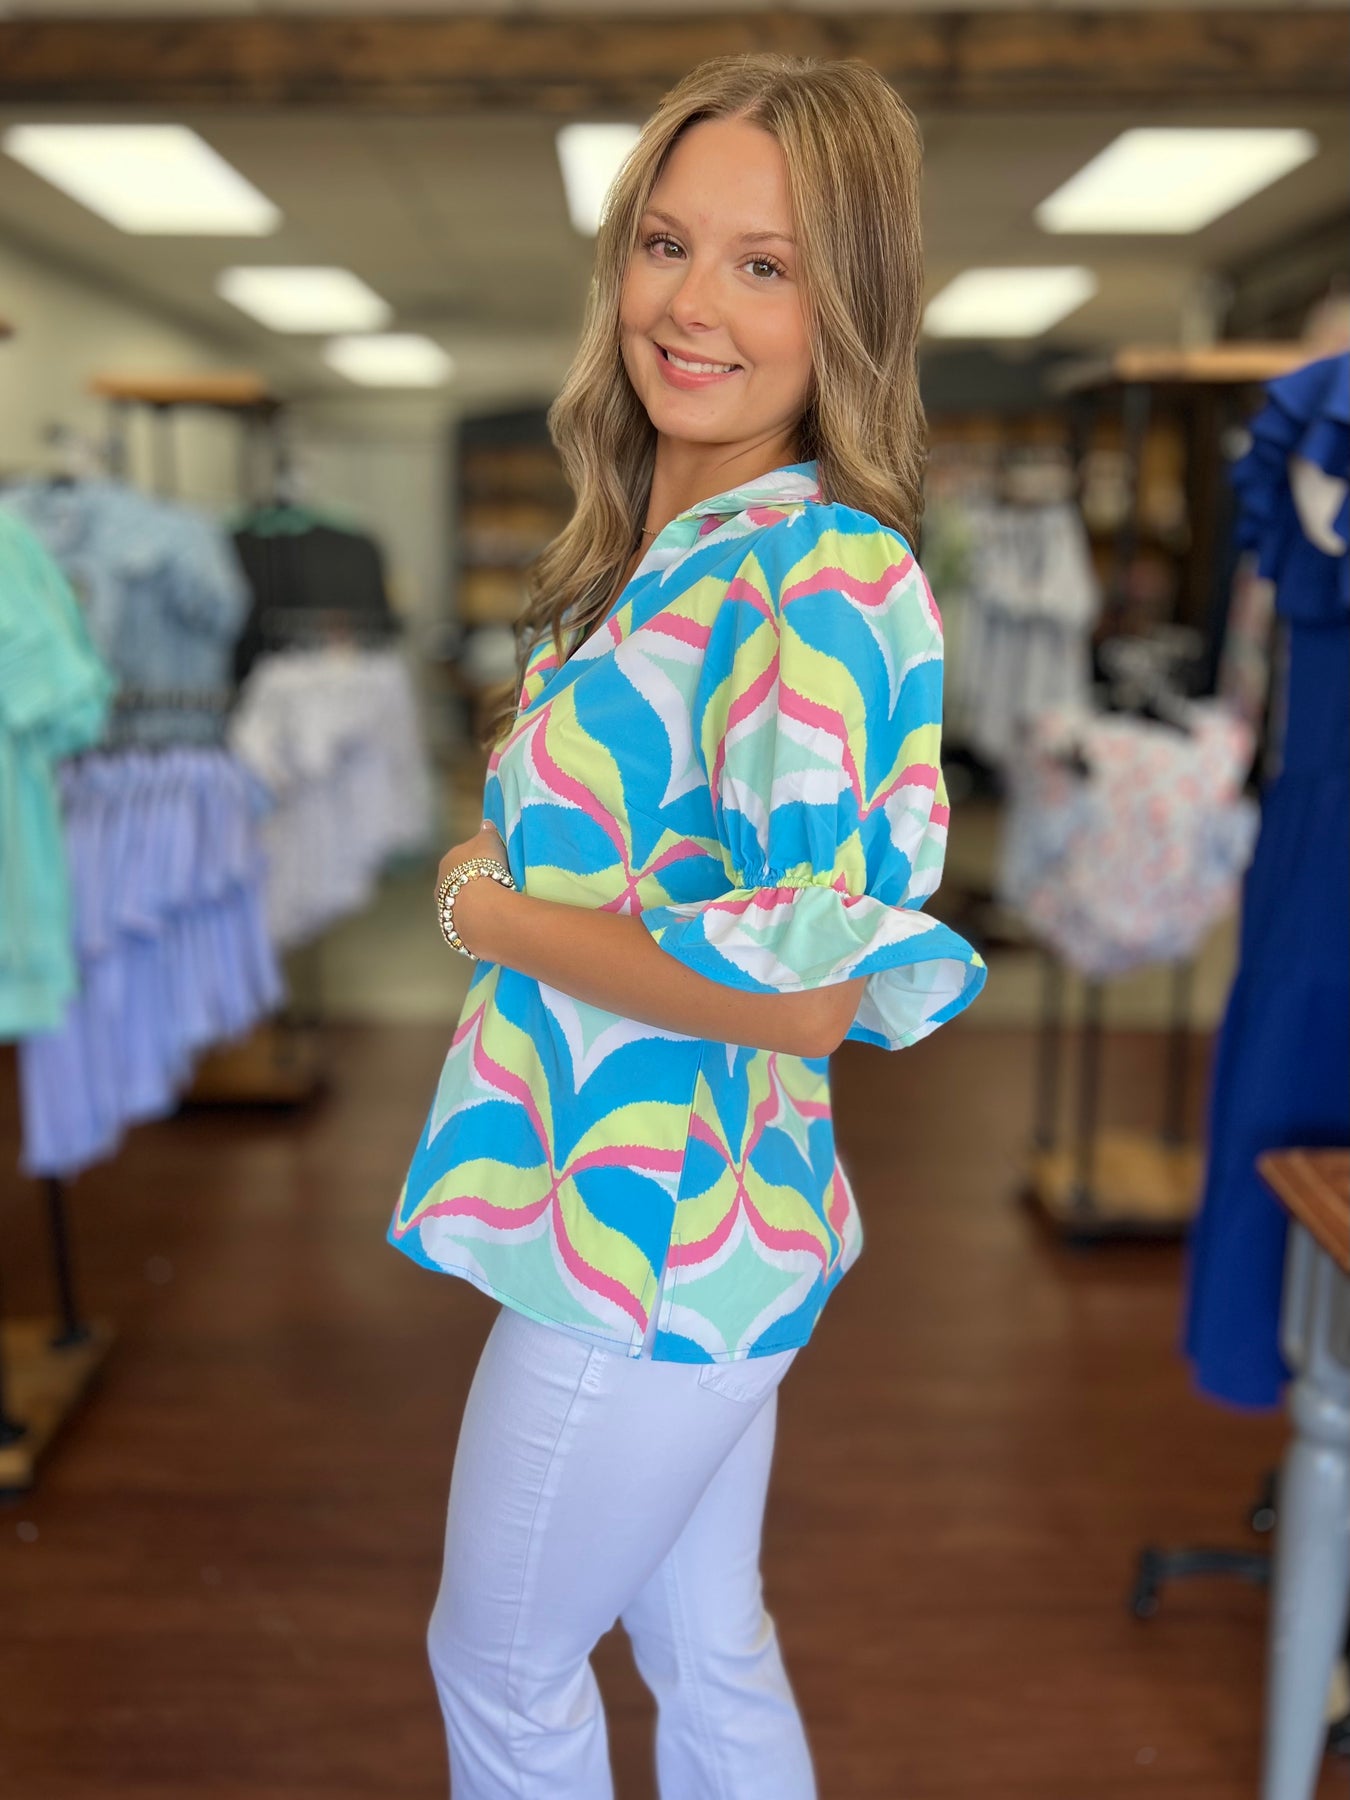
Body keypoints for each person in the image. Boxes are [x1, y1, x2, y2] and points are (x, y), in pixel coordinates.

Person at [388, 52, 986, 1799]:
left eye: (763, 264)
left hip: (645, 1241)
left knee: (501, 1671)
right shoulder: (663, 553)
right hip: (688, 1223)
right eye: (666, 244)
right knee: (703, 1642)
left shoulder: (819, 570)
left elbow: (804, 1001)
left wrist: (480, 906)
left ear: (845, 308)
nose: (691, 303)